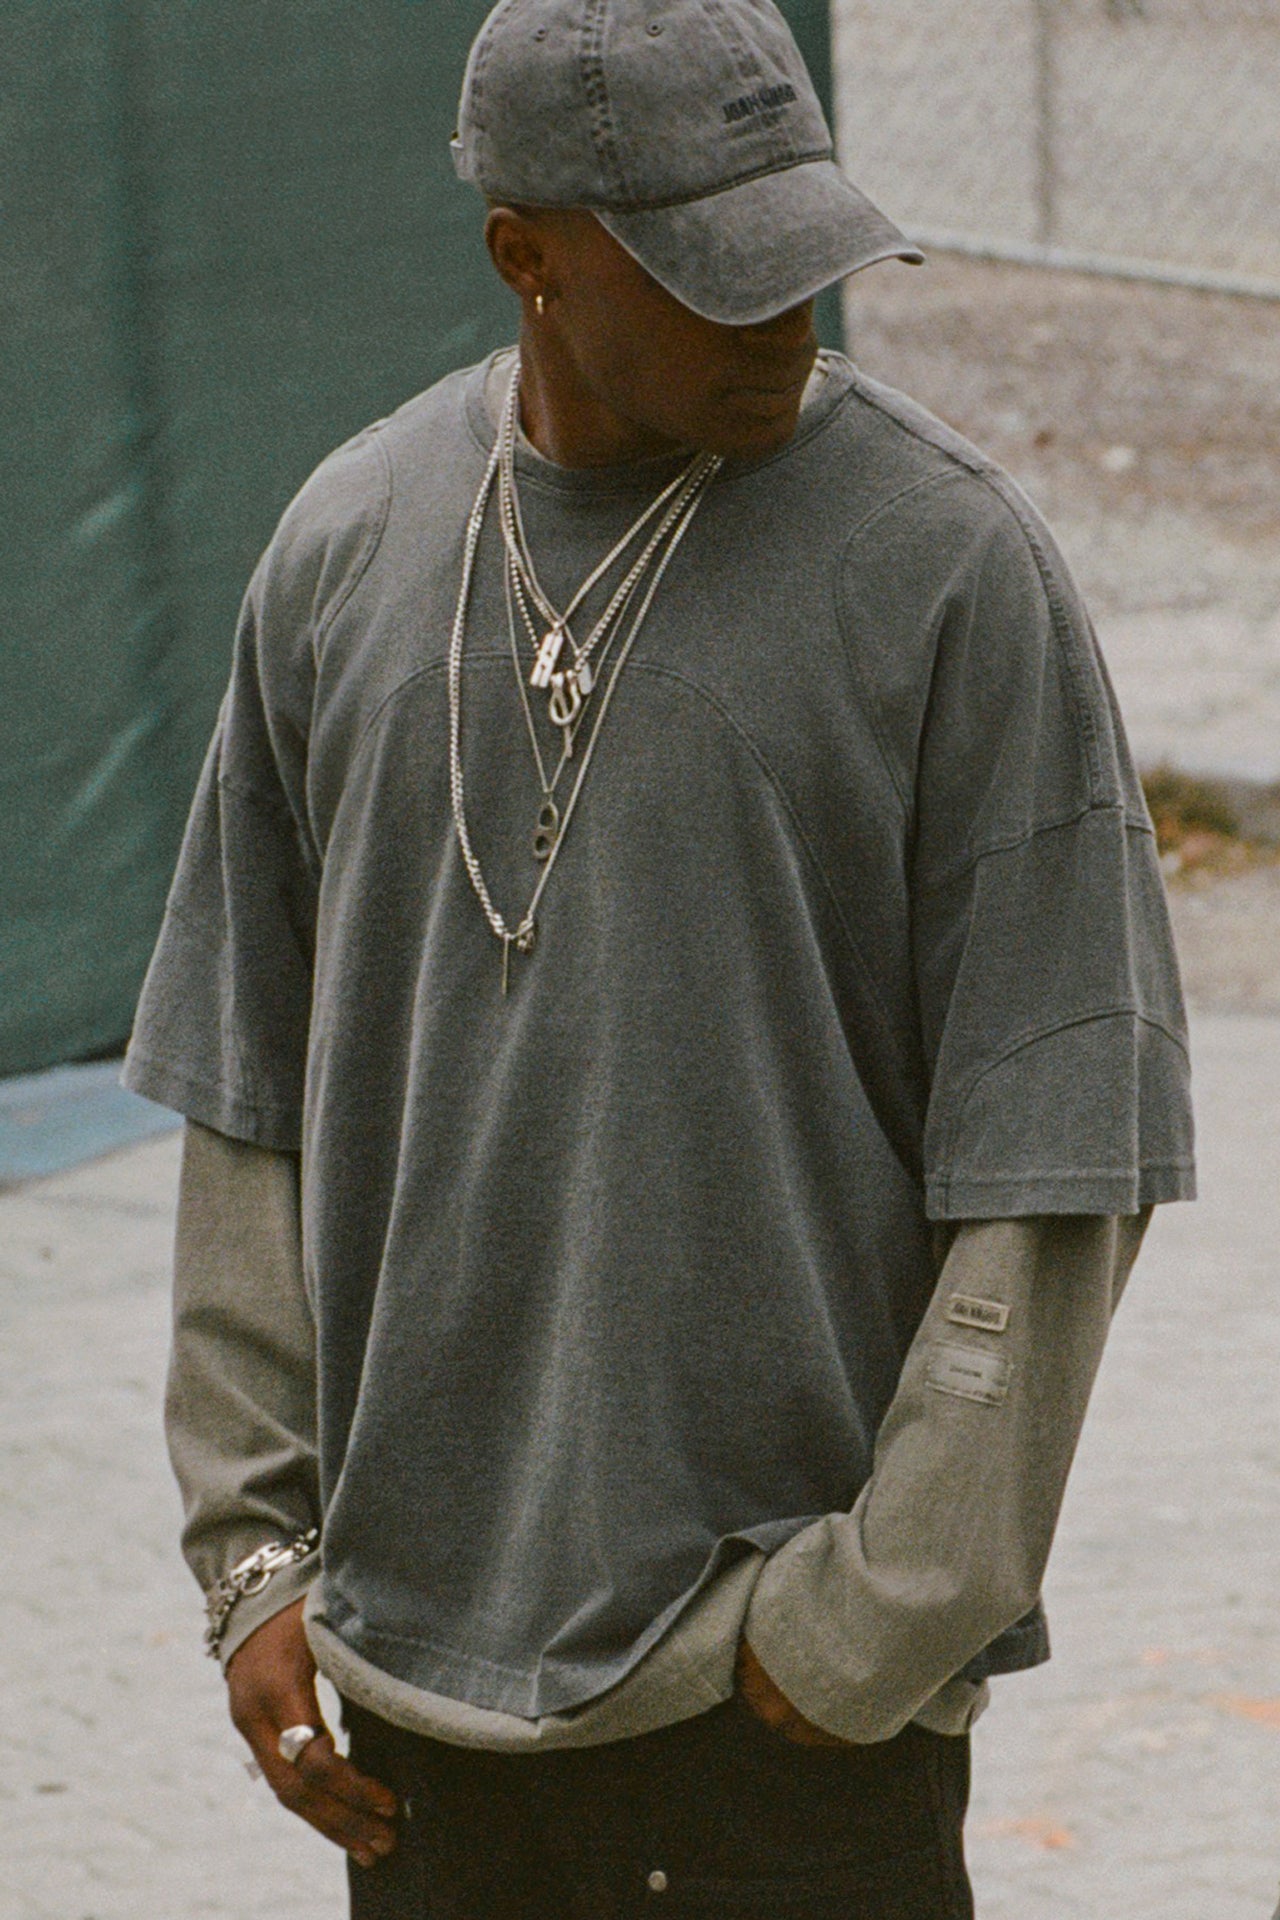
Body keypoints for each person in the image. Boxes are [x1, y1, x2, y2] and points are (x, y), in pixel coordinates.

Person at [124, 2, 1195, 1914]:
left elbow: (1066, 1130)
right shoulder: (346, 550)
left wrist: (876, 1621)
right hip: (422, 1694)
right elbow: (245, 1085)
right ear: (524, 254)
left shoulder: (950, 569)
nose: (787, 314)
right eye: (716, 273)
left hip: (786, 1709)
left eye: (807, 249)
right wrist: (252, 1557)